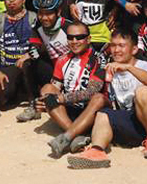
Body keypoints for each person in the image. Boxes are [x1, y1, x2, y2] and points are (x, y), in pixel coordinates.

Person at [71, 29, 147, 166]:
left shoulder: (145, 65)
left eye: (121, 45)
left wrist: (129, 68)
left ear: (133, 50)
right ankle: (97, 152)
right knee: (103, 114)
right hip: (135, 125)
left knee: (142, 92)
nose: (116, 50)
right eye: (113, 45)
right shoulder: (110, 68)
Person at [39, 22, 106, 159]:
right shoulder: (62, 59)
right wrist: (41, 102)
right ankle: (77, 135)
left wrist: (59, 99)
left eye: (79, 37)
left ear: (88, 39)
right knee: (47, 88)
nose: (74, 41)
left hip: (91, 112)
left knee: (98, 98)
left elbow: (92, 92)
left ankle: (67, 136)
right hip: (69, 112)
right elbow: (54, 88)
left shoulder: (99, 59)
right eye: (70, 37)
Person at [0, 0, 41, 115]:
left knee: (26, 64)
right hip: (7, 66)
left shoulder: (34, 18)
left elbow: (43, 45)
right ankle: (17, 93)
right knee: (1, 101)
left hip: (29, 64)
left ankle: (33, 103)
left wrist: (29, 55)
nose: (11, 1)